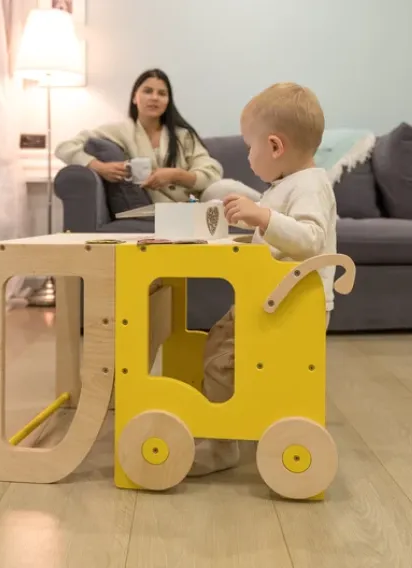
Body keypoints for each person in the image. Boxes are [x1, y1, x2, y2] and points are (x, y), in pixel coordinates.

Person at [189, 82, 338, 477]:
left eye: (249, 148)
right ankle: (229, 425)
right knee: (219, 345)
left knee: (222, 363)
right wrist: (253, 222)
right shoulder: (287, 185)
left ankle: (222, 443)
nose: (248, 157)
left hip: (289, 308)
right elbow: (276, 238)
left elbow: (310, 238)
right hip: (269, 301)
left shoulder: (309, 186)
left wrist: (262, 216)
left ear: (274, 146)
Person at [55, 69, 224, 203]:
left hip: (191, 207)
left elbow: (212, 173)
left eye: (162, 93)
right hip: (154, 211)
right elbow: (64, 147)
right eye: (148, 91)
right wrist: (99, 167)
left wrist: (175, 175)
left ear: (168, 102)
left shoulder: (183, 136)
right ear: (135, 98)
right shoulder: (120, 131)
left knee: (227, 189)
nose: (154, 98)